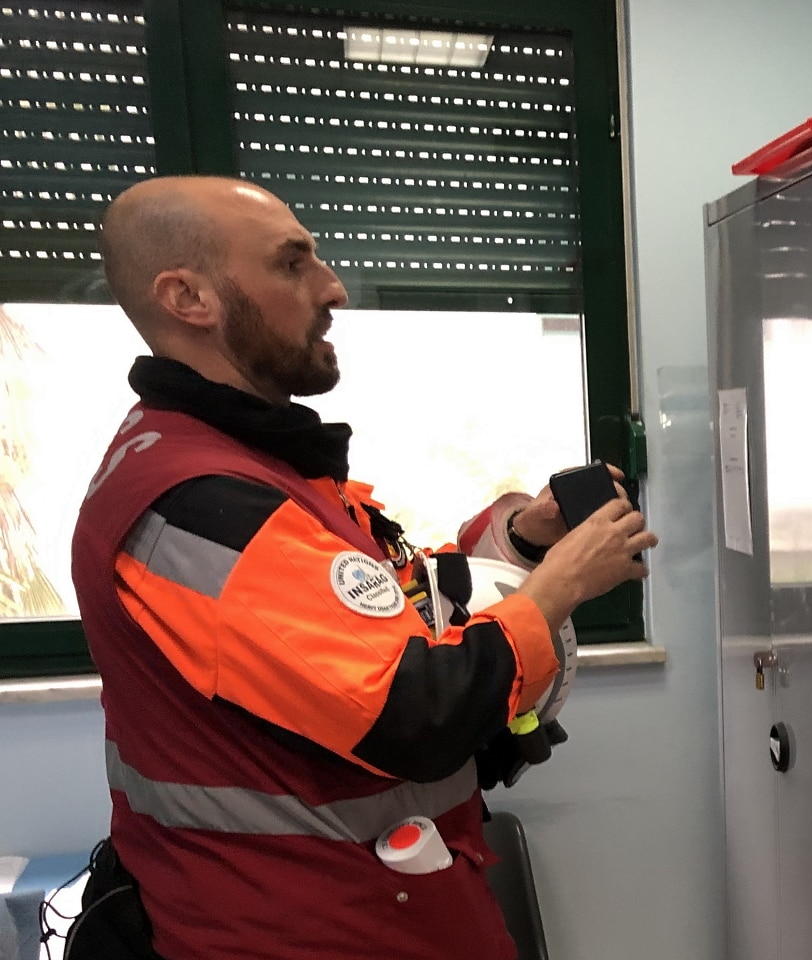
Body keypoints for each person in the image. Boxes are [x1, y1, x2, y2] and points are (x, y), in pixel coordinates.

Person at [67, 176, 657, 960]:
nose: (332, 287)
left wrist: (521, 541)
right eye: (292, 264)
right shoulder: (198, 504)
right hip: (311, 931)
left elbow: (384, 619)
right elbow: (416, 710)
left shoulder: (255, 467)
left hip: (388, 907)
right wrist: (562, 588)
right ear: (188, 297)